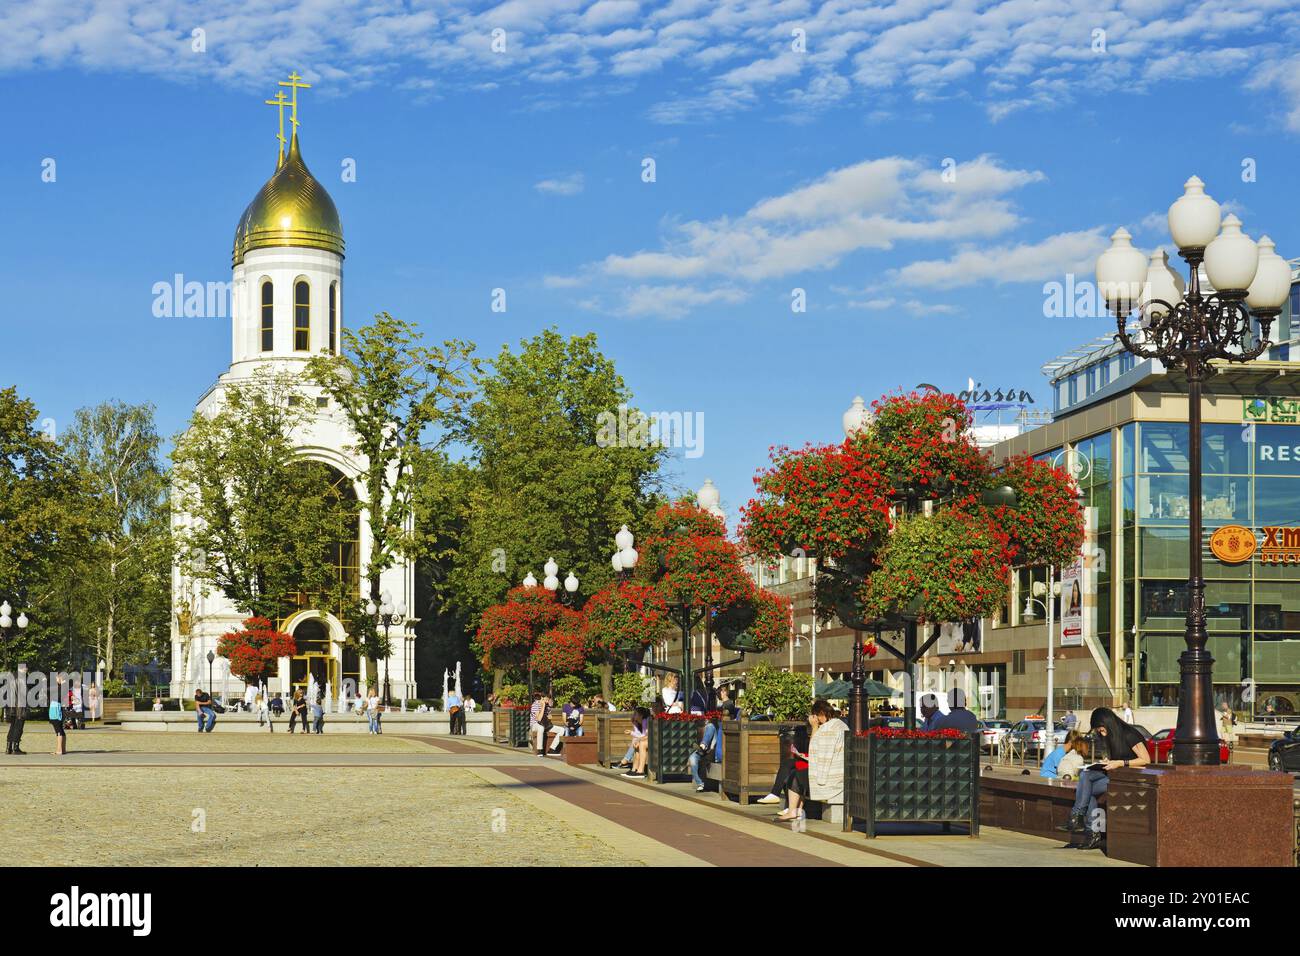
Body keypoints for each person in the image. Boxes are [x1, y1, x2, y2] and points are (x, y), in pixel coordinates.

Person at [1058, 707, 1149, 849]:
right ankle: (1087, 826)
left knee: (1086, 790)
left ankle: (1079, 820)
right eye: (1099, 731)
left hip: (1131, 777)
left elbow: (1146, 759)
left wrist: (1121, 762)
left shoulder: (1129, 734)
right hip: (1116, 775)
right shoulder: (1111, 737)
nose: (1101, 733)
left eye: (1101, 729)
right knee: (1086, 778)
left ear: (1108, 723)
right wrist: (1107, 762)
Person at [807, 700, 849, 816]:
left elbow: (813, 750)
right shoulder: (839, 724)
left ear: (820, 714)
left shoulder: (828, 729)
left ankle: (793, 810)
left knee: (794, 774)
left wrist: (814, 727)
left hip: (833, 776)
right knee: (793, 770)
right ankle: (793, 809)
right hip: (838, 769)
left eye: (815, 716)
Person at [774, 721, 812, 820]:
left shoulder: (821, 732)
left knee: (795, 772)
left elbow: (817, 753)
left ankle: (777, 795)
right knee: (792, 768)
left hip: (816, 768)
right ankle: (796, 809)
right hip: (811, 765)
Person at [622, 707, 651, 779]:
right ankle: (634, 769)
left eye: (635, 714)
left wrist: (637, 739)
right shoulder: (639, 722)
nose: (633, 715)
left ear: (640, 715)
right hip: (646, 739)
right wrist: (632, 731)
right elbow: (641, 735)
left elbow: (647, 735)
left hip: (650, 740)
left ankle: (639, 770)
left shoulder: (645, 721)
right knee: (636, 741)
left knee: (638, 742)